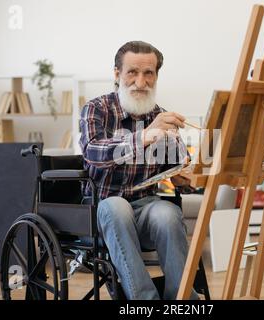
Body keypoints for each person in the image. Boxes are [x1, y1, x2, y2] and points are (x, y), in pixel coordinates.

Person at [79, 41, 199, 300]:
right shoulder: (96, 109)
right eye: (132, 72)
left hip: (146, 207)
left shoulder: (161, 115)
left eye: (149, 73)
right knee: (116, 206)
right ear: (117, 74)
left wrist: (185, 176)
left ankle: (182, 301)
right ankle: (145, 302)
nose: (141, 81)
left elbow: (178, 169)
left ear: (156, 76)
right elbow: (93, 152)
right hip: (101, 210)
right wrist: (145, 135)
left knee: (168, 212)